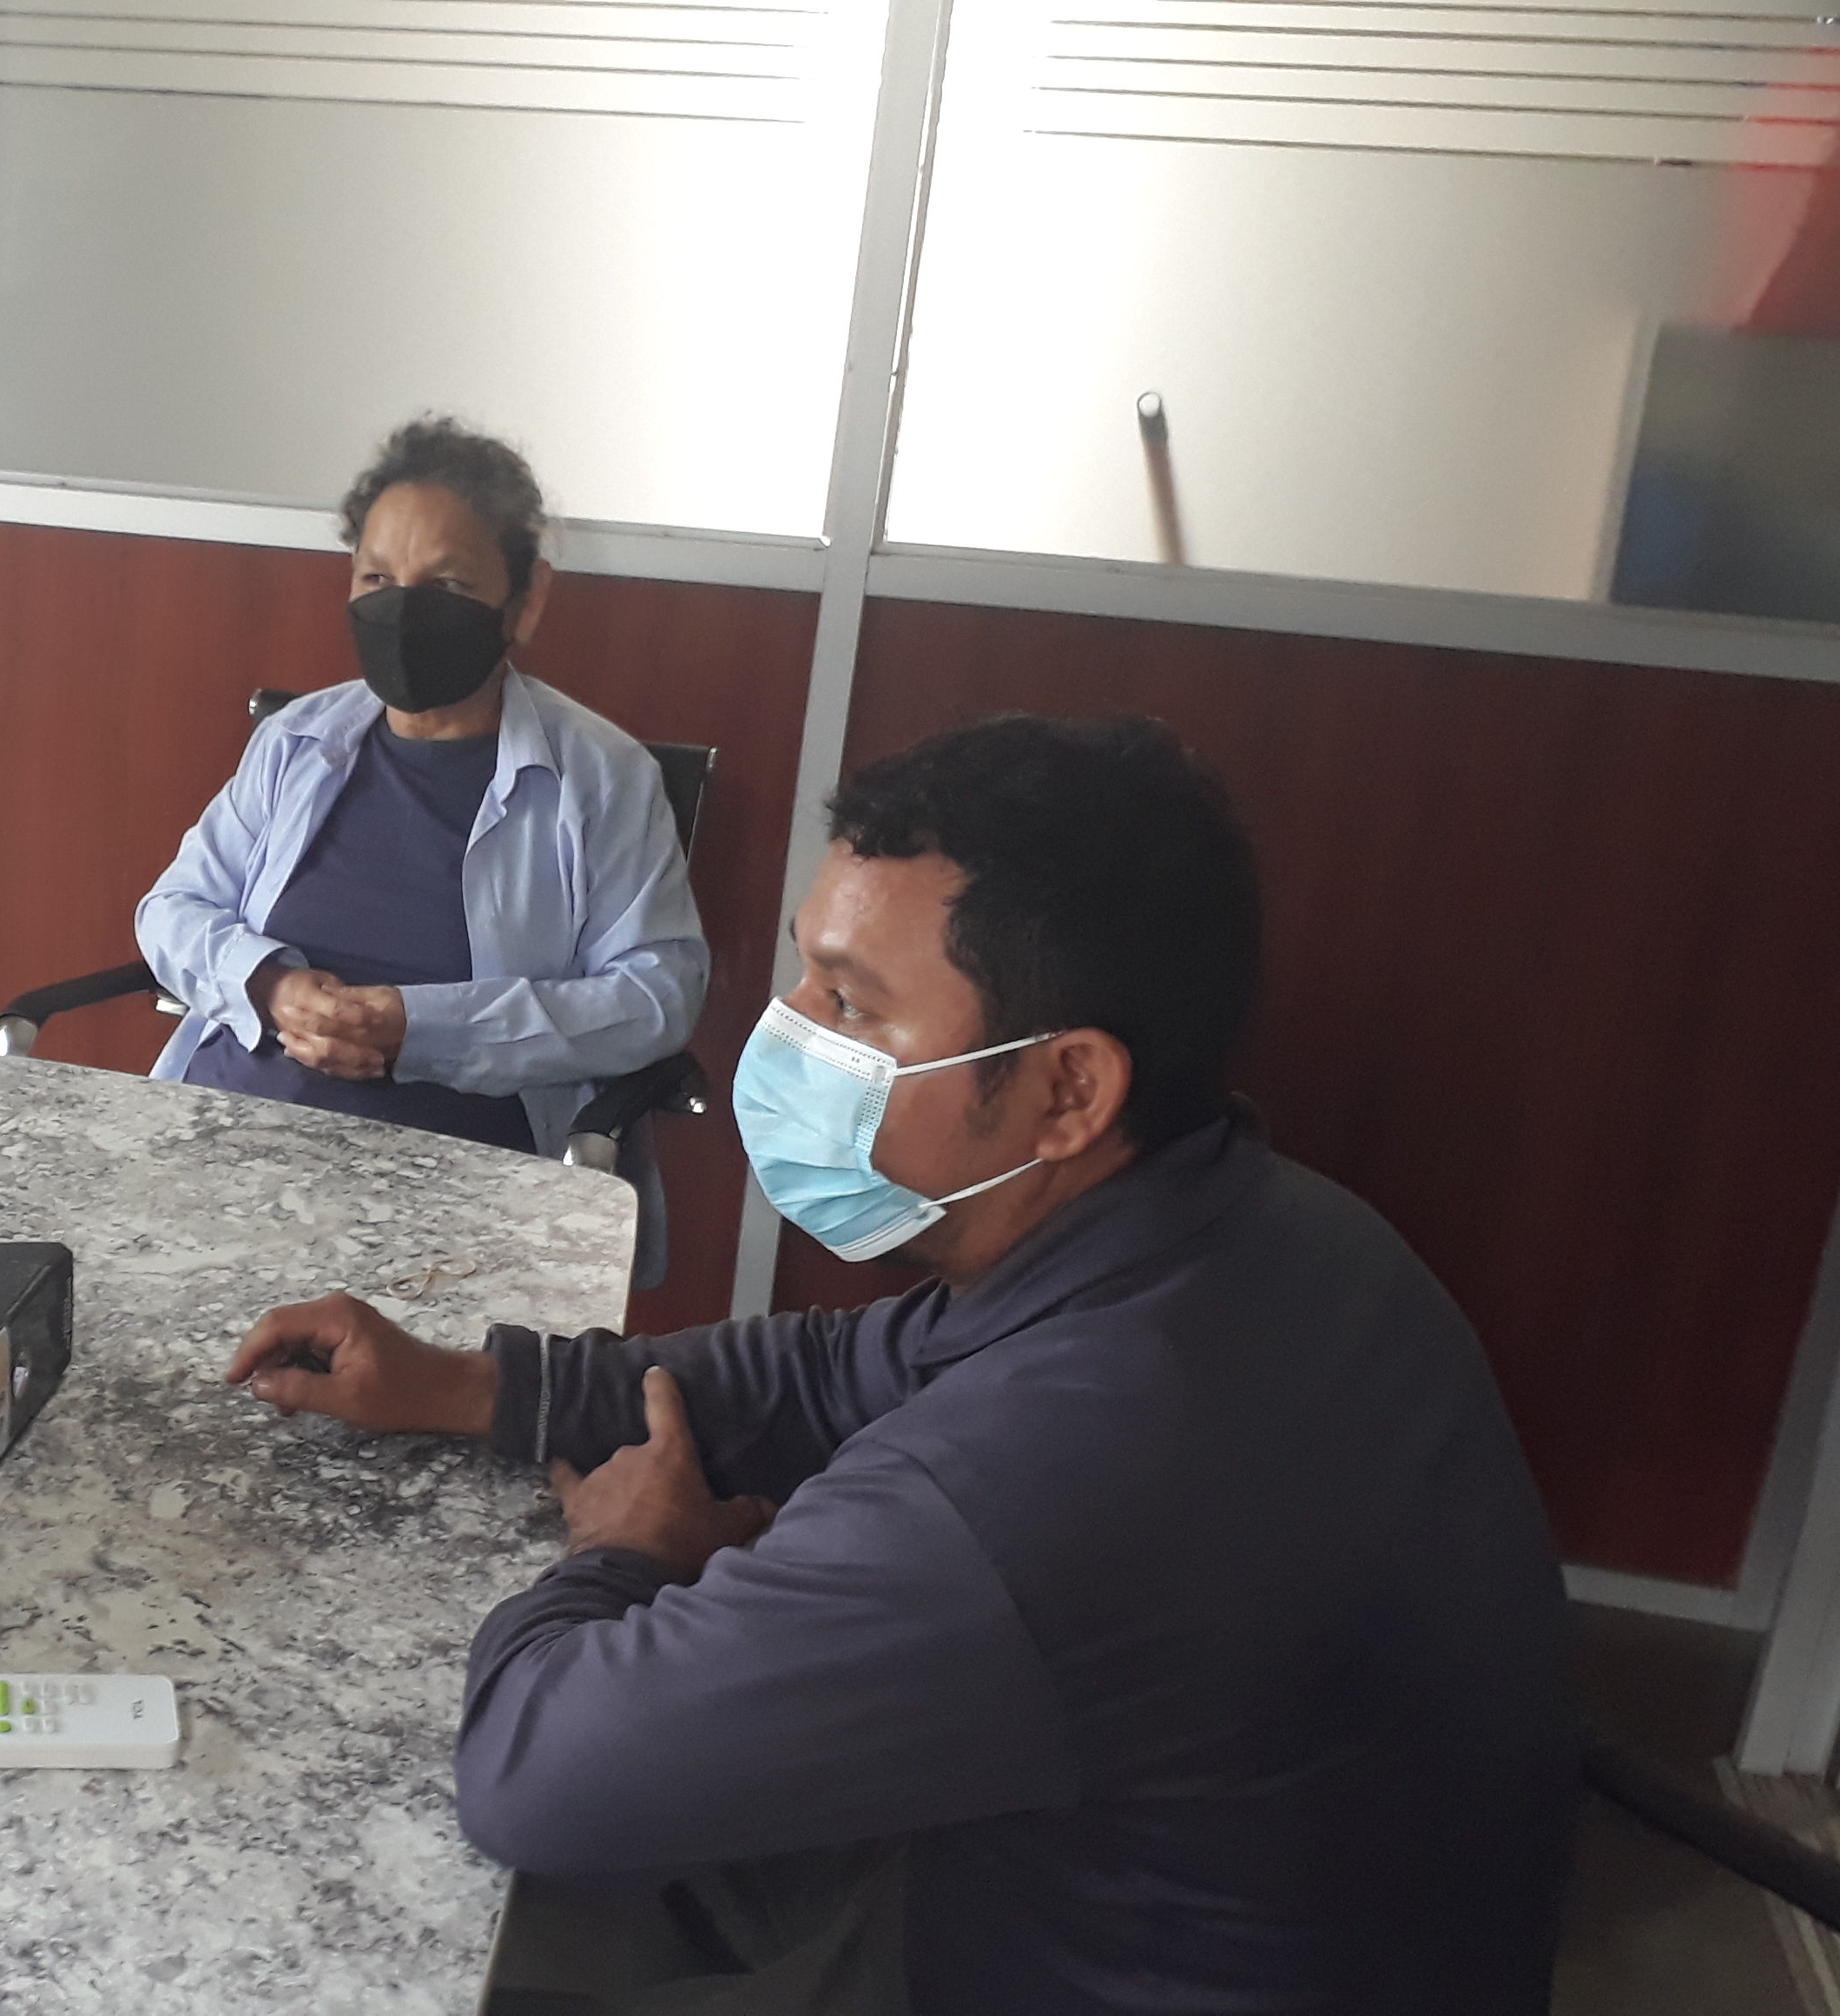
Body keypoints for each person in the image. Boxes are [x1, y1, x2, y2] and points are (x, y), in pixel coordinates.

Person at [223, 715, 1573, 2014]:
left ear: (1067, 1088)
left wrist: (620, 1553)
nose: (790, 1028)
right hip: (1136, 1880)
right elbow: (832, 1370)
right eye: (808, 975)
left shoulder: (1049, 1476)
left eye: (853, 1004)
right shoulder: (1242, 1222)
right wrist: (476, 1386)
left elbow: (534, 1774)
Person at [136, 417, 705, 1157]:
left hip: (449, 1164)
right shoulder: (296, 740)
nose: (403, 611)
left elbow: (657, 995)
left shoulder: (602, 776)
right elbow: (172, 911)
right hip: (230, 1129)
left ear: (525, 600)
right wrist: (269, 986)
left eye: (448, 585)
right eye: (377, 579)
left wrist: (424, 1030)